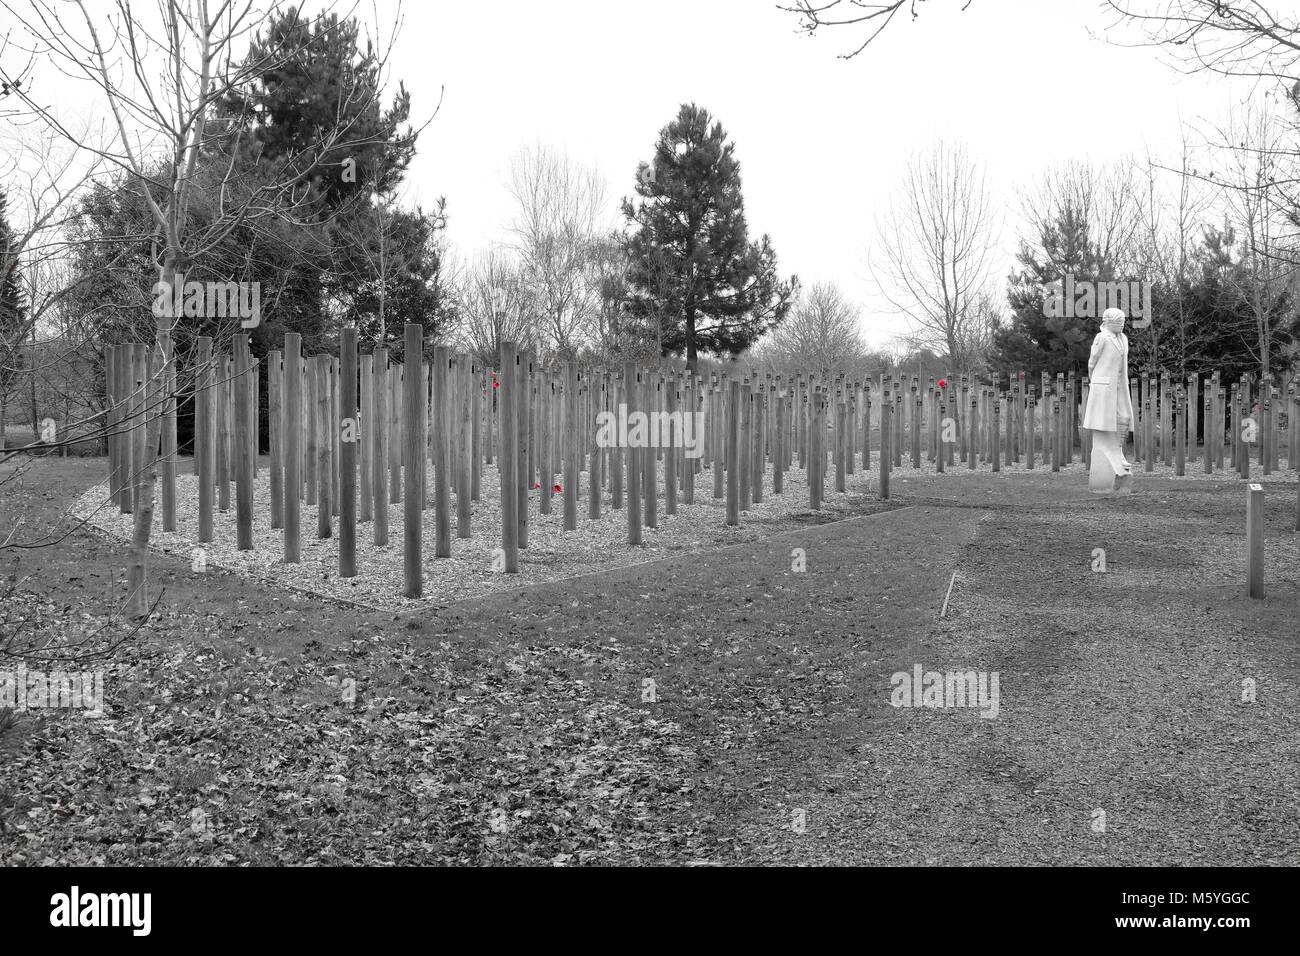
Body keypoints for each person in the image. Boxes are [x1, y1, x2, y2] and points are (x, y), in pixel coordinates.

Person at [1083, 307, 1134, 490]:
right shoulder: (1101, 338)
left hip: (1119, 384)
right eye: (1118, 323)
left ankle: (1118, 451)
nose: (1122, 326)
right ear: (1108, 323)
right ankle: (1113, 454)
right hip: (1104, 386)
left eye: (1123, 322)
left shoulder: (1123, 338)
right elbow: (1092, 362)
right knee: (1106, 422)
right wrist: (1097, 382)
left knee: (1125, 417)